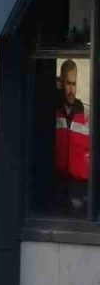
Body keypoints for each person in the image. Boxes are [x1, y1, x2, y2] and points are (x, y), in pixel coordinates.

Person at [56, 59, 89, 214]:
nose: (71, 89)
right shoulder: (52, 109)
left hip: (80, 190)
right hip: (57, 186)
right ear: (61, 83)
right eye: (68, 84)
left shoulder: (84, 113)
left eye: (74, 84)